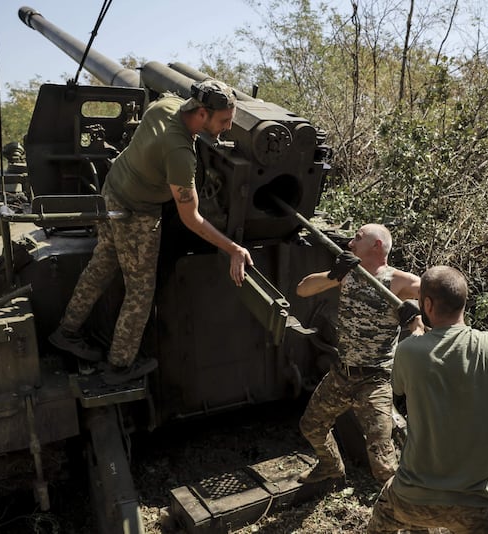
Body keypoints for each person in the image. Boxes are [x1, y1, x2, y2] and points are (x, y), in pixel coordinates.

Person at [49, 79, 253, 385]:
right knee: (141, 292)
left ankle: (66, 331)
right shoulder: (180, 154)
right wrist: (234, 249)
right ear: (201, 114)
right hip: (136, 214)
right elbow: (192, 219)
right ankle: (119, 366)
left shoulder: (165, 106)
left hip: (111, 192)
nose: (226, 127)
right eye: (223, 121)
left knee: (102, 263)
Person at [367, 265, 488, 534]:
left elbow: (400, 386)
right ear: (464, 302)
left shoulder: (408, 350)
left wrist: (416, 329)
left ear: (427, 304)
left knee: (382, 513)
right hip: (478, 506)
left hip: (413, 499)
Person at [295, 223, 423, 484]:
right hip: (342, 373)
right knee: (311, 427)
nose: (351, 243)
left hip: (374, 381)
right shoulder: (348, 274)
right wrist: (334, 274)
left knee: (383, 462)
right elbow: (302, 289)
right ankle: (330, 466)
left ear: (376, 245)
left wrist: (417, 317)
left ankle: (405, 512)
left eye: (358, 238)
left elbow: (436, 302)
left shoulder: (398, 281)